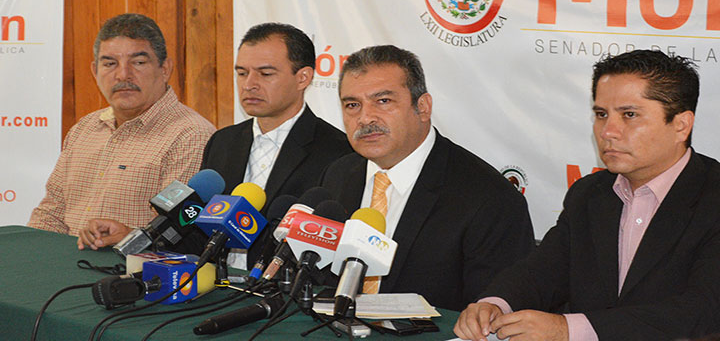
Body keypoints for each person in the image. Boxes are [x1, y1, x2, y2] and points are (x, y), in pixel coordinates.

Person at [454, 49, 720, 341]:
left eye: (629, 115)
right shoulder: (589, 193)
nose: (608, 131)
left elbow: (703, 310)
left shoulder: (712, 197)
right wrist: (495, 303)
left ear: (681, 125)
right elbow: (543, 271)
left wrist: (567, 329)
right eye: (601, 114)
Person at [320, 45, 535, 311]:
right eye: (352, 105)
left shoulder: (490, 199)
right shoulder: (338, 174)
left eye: (383, 101)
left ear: (422, 107)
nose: (365, 118)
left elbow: (491, 316)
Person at [27, 13, 215, 250]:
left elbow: (176, 234)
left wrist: (130, 237)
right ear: (95, 71)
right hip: (65, 265)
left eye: (138, 62)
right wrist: (29, 255)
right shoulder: (84, 129)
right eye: (110, 64)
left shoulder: (190, 136)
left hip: (132, 270)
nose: (123, 75)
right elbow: (51, 214)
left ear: (165, 69)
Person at [200, 22, 351, 207]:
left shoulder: (338, 152)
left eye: (265, 74)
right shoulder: (222, 142)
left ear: (303, 78)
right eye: (242, 73)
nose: (248, 85)